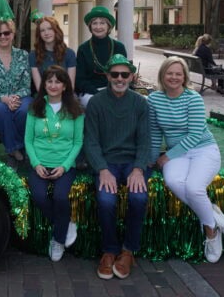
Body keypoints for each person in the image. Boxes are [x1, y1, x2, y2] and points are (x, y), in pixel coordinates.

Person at [148, 56, 224, 264]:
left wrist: (166, 157)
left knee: (194, 188)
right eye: (170, 73)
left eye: (179, 74)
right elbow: (154, 133)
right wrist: (153, 158)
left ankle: (211, 232)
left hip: (203, 150)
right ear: (162, 75)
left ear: (185, 77)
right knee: (173, 182)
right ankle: (212, 212)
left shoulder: (193, 98)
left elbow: (196, 135)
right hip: (177, 153)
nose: (174, 77)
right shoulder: (154, 99)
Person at [83, 54, 150, 280]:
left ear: (131, 76)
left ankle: (129, 250)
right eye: (115, 74)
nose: (120, 78)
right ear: (107, 76)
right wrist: (102, 169)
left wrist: (139, 169)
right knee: (105, 200)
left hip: (132, 161)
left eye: (124, 74)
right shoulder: (96, 103)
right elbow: (90, 141)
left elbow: (145, 141)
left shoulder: (140, 103)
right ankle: (110, 250)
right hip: (107, 162)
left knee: (139, 198)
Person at [25, 66, 84, 262]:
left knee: (60, 197)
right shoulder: (35, 107)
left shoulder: (76, 110)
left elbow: (77, 142)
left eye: (58, 81)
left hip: (64, 164)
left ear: (65, 86)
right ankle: (67, 224)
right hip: (40, 163)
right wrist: (35, 163)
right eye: (49, 81)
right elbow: (28, 140)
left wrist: (65, 166)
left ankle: (58, 240)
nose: (53, 85)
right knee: (40, 197)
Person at [0, 19, 32, 165]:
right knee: (0, 111)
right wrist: (3, 99)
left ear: (13, 34)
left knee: (24, 110)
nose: (3, 37)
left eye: (6, 33)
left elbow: (26, 84)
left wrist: (15, 98)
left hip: (19, 95)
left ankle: (21, 148)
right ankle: (13, 149)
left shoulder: (23, 55)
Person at [76, 6, 126, 107]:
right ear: (90, 26)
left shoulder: (119, 47)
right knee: (98, 104)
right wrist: (98, 94)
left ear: (109, 26)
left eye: (102, 23)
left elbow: (124, 74)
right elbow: (80, 79)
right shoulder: (83, 49)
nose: (98, 27)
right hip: (90, 92)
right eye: (94, 23)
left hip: (115, 89)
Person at [30, 16, 76, 92]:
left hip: (66, 95)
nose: (46, 33)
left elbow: (70, 86)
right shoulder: (33, 55)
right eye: (42, 30)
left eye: (50, 29)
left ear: (56, 30)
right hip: (43, 96)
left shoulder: (69, 54)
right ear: (39, 34)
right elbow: (39, 88)